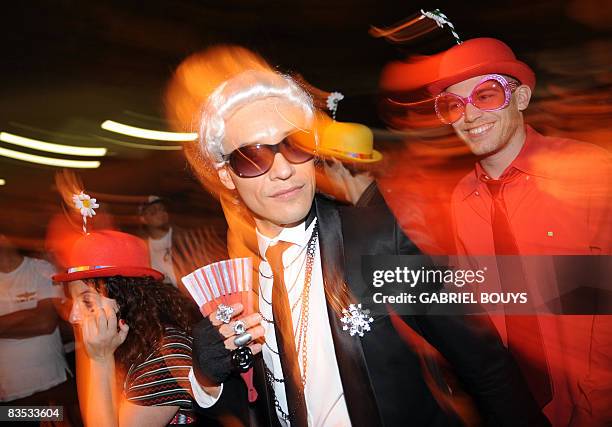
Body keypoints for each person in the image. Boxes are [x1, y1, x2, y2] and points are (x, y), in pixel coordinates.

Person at [184, 69, 549, 426]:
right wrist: (206, 379)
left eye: (295, 145)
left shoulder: (379, 239)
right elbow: (255, 408)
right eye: (253, 157)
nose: (282, 170)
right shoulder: (236, 284)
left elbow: (486, 367)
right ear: (224, 174)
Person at [427, 38, 612, 426]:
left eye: (487, 95)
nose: (470, 115)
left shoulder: (589, 173)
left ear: (521, 97)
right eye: (454, 105)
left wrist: (595, 408)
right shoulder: (462, 198)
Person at [52, 230, 200, 427]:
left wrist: (100, 359)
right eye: (72, 301)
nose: (73, 316)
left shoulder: (167, 355)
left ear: (127, 299)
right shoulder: (126, 343)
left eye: (87, 301)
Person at [0, 232, 80, 426]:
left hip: (54, 384)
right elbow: (39, 319)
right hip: (9, 396)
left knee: (62, 420)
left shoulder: (40, 268)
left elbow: (45, 324)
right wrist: (28, 313)